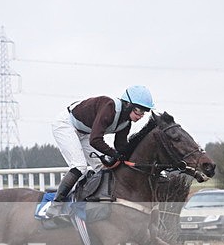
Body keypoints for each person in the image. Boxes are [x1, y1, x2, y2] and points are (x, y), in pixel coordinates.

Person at [48, 85, 154, 216]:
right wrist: (114, 154)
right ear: (128, 104)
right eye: (138, 110)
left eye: (144, 112)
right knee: (79, 166)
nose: (141, 115)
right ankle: (56, 205)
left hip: (85, 133)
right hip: (66, 124)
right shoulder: (109, 107)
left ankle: (90, 201)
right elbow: (95, 140)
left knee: (102, 167)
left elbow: (120, 146)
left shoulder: (126, 123)